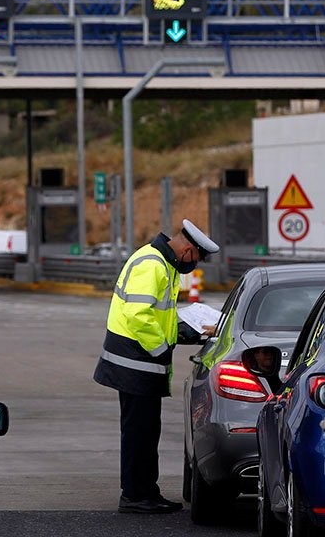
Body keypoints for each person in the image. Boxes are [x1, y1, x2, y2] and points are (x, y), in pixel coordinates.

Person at [93, 219, 220, 514]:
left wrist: (194, 331)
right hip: (136, 363)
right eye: (196, 259)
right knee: (139, 433)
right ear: (187, 249)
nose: (194, 265)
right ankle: (136, 496)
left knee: (146, 433)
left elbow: (159, 317)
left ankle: (146, 491)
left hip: (139, 364)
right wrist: (162, 349)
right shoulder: (153, 265)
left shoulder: (161, 263)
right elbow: (139, 316)